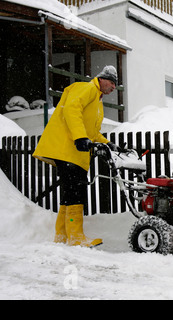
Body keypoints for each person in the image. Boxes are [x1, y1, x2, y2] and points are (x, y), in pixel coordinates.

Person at [33, 65, 121, 247]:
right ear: (102, 79)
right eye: (111, 82)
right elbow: (71, 109)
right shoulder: (87, 88)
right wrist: (80, 137)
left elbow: (93, 132)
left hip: (73, 153)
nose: (113, 87)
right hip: (68, 149)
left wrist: (107, 143)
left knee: (70, 192)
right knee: (76, 192)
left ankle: (62, 235)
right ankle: (75, 236)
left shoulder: (97, 101)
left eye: (115, 85)